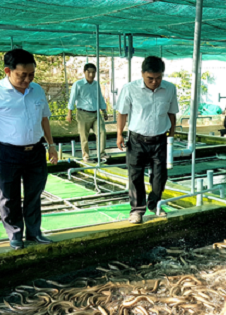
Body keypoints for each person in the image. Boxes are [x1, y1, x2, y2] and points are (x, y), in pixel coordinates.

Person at [0, 49, 58, 250]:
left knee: (34, 193)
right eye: (22, 75)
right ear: (7, 71)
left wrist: (51, 145)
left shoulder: (37, 90)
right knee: (10, 196)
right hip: (7, 152)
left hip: (35, 150)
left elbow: (44, 118)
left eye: (31, 75)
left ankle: (34, 232)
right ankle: (15, 234)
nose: (27, 80)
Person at [116, 56, 179, 224]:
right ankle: (137, 210)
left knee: (160, 176)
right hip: (137, 140)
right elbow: (122, 112)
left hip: (160, 140)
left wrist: (171, 135)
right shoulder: (130, 89)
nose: (154, 82)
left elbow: (172, 114)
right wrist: (119, 133)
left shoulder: (170, 89)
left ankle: (154, 204)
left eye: (158, 78)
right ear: (142, 74)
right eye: (150, 78)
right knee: (135, 176)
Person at [66, 63, 109, 163]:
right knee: (84, 136)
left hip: (95, 113)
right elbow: (72, 99)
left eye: (93, 72)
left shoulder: (96, 84)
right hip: (83, 113)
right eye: (89, 72)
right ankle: (86, 156)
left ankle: (101, 153)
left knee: (102, 131)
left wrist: (104, 111)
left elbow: (100, 98)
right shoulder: (78, 84)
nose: (91, 74)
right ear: (84, 72)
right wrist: (69, 113)